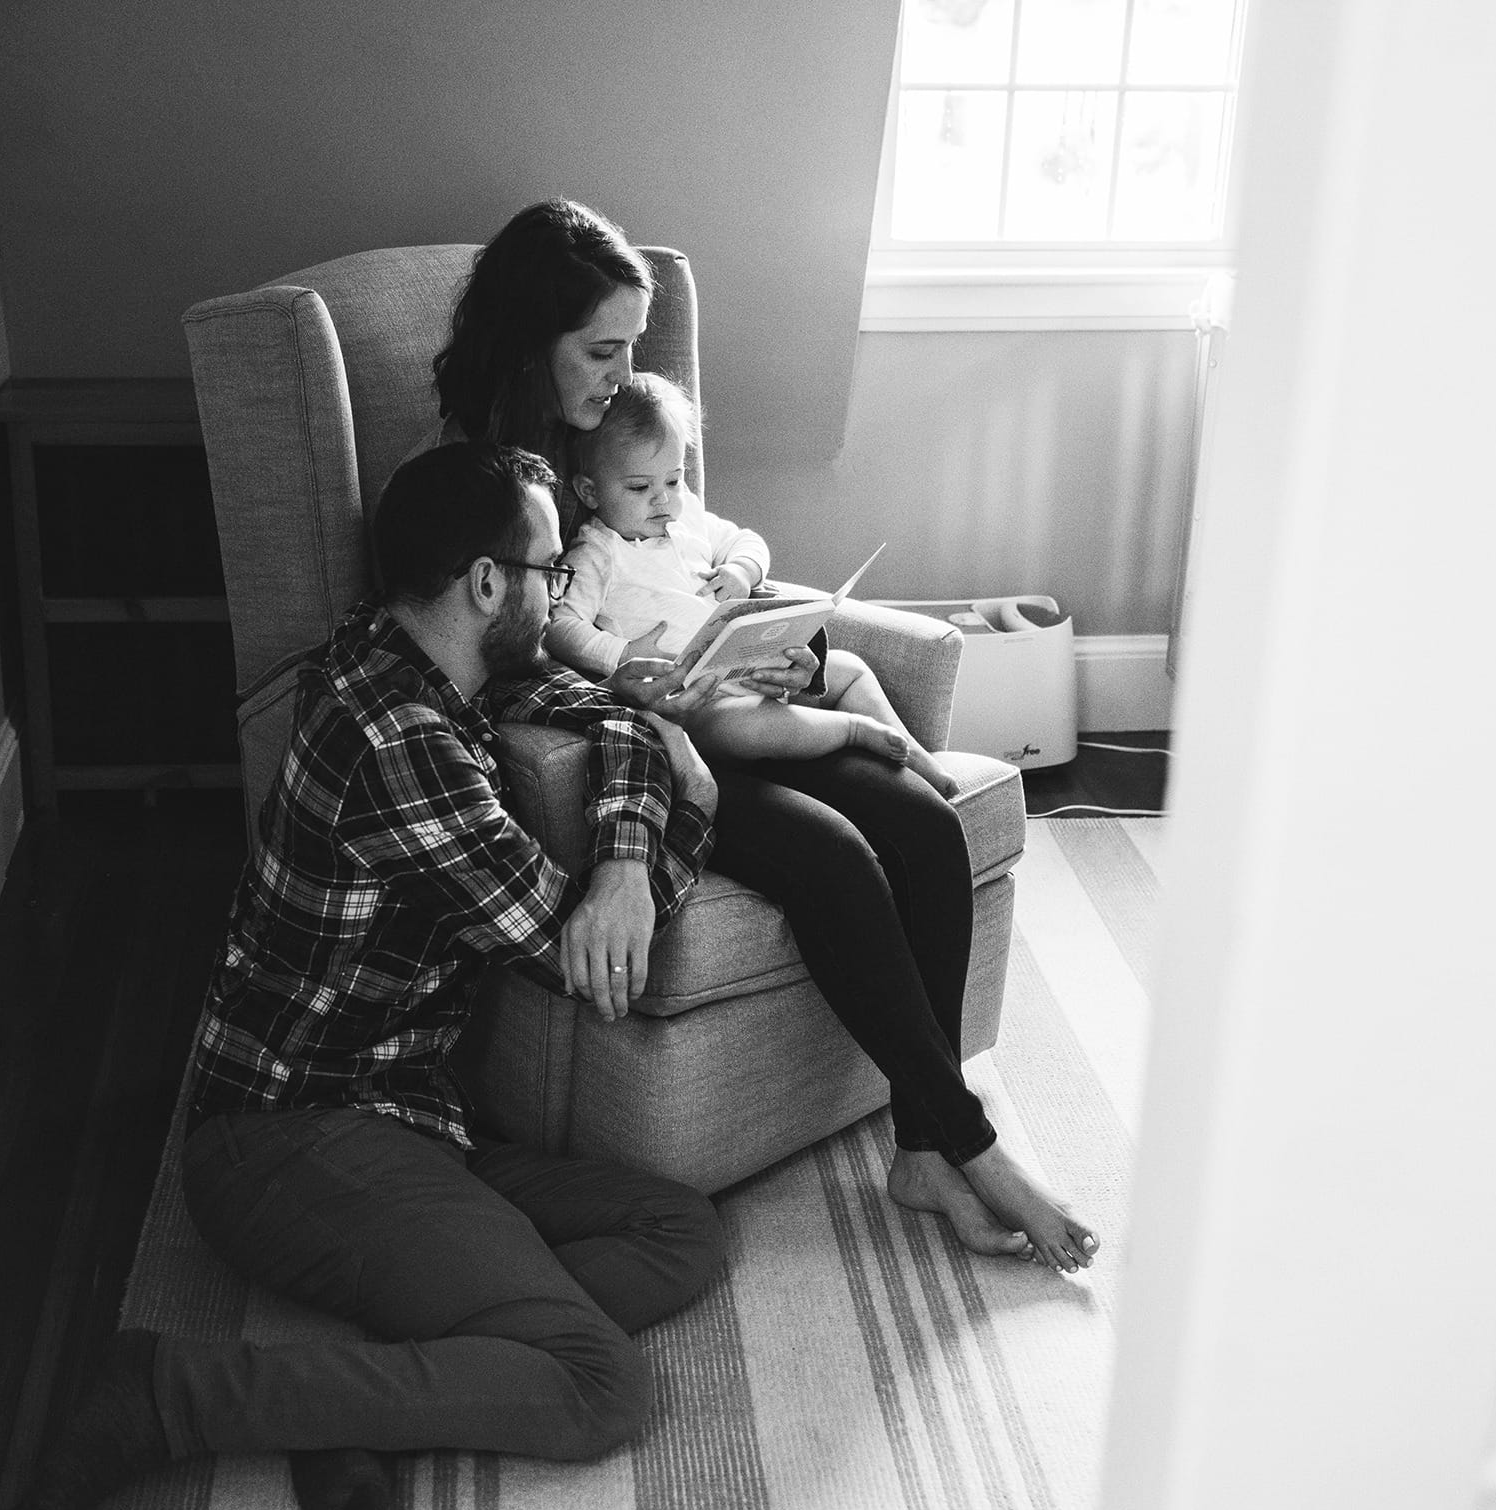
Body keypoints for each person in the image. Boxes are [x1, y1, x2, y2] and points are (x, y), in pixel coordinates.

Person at [0, 443, 724, 1510]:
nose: (561, 588)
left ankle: (355, 1400)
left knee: (679, 1230)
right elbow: (581, 958)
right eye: (545, 568)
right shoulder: (398, 739)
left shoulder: (421, 655)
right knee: (598, 1387)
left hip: (409, 1112)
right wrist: (688, 810)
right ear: (489, 583)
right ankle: (166, 1392)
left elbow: (612, 715)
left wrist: (624, 853)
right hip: (289, 1136)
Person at [432, 197, 1100, 1272]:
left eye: (633, 348)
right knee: (834, 858)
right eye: (600, 349)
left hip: (711, 689)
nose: (620, 372)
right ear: (530, 344)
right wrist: (635, 682)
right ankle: (974, 1143)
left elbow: (698, 562)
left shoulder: (629, 433)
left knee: (923, 822)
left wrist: (778, 647)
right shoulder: (482, 475)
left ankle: (925, 1149)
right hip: (636, 738)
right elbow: (503, 650)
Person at [546, 371, 962, 796]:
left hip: (747, 667)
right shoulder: (597, 552)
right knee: (741, 726)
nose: (663, 499)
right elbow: (559, 625)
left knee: (851, 670)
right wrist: (621, 653)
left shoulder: (686, 515)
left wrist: (742, 572)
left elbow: (747, 540)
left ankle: (922, 763)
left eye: (673, 479)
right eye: (639, 487)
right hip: (698, 702)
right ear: (590, 492)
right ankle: (853, 730)